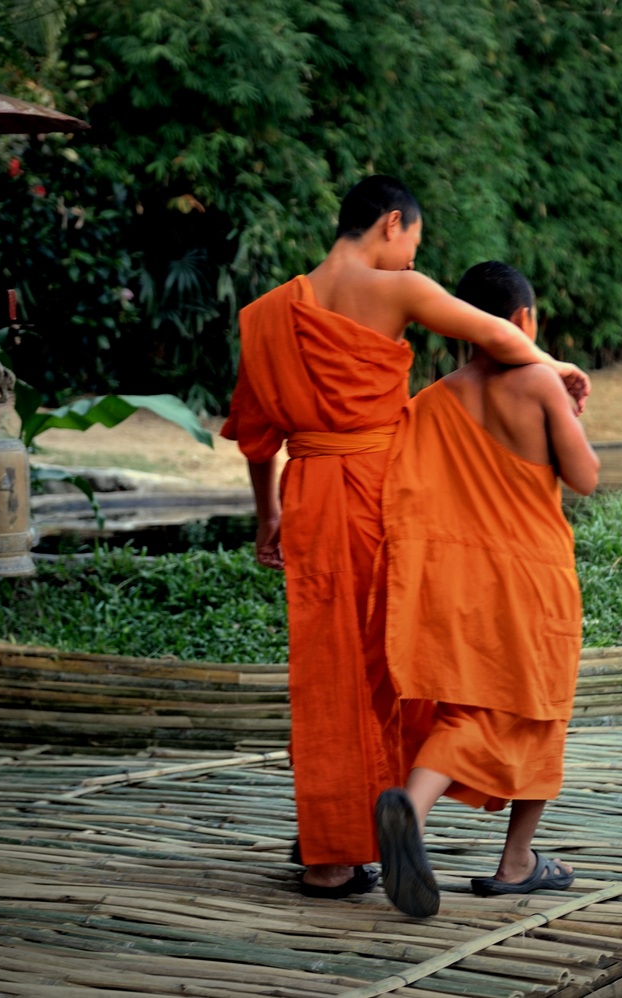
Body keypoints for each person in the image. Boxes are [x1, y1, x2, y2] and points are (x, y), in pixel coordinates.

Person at [221, 177, 589, 898]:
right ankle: (387, 816)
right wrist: (555, 367)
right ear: (393, 224)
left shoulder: (266, 314)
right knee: (397, 665)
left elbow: (255, 434)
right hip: (386, 497)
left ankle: (330, 853)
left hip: (308, 496)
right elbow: (491, 333)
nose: (409, 258)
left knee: (325, 674)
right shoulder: (398, 288)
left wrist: (267, 515)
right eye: (412, 243)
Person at [372, 261, 599, 917]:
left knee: (469, 711)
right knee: (543, 709)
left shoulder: (437, 399)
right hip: (534, 577)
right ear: (525, 321)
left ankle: (410, 806)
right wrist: (572, 412)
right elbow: (583, 476)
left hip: (463, 584)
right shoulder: (538, 382)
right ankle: (517, 861)